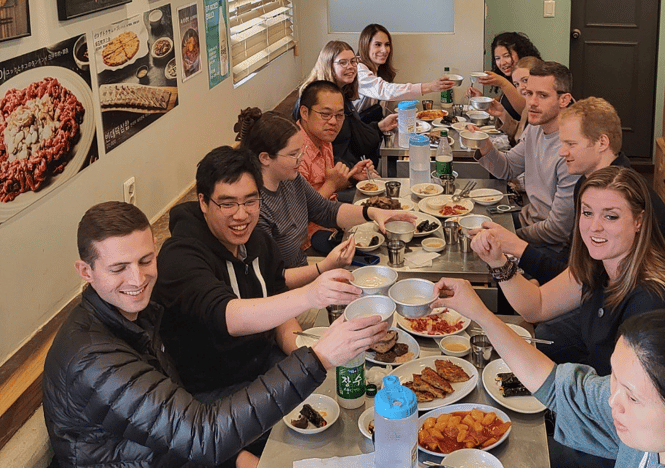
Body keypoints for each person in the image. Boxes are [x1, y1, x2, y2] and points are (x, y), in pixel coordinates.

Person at [43, 201, 388, 468]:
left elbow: (175, 420)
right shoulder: (92, 358)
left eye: (146, 260)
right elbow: (199, 435)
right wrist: (319, 356)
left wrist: (234, 457)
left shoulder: (137, 310)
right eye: (118, 268)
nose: (137, 279)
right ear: (85, 271)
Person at [429, 280, 665, 468]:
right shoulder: (660, 434)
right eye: (615, 380)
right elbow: (557, 386)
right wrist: (480, 313)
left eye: (631, 396)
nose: (611, 400)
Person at [152, 147, 368, 398]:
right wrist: (311, 295)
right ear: (203, 202)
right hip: (212, 392)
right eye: (227, 203)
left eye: (250, 201)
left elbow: (278, 307)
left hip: (263, 363)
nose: (241, 214)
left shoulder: (258, 242)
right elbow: (228, 316)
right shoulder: (179, 256)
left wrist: (305, 354)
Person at [471, 165, 665, 375]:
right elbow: (537, 305)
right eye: (587, 213)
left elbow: (631, 398)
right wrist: (498, 262)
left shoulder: (652, 300)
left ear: (639, 221)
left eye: (610, 216)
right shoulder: (599, 263)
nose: (594, 227)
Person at [477, 96, 665, 285]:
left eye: (571, 144)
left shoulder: (629, 197)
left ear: (602, 143)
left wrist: (518, 247)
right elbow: (571, 260)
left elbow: (585, 280)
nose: (562, 152)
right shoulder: (586, 183)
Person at [236, 102, 411, 289]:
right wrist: (324, 267)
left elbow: (326, 210)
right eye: (293, 154)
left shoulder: (289, 179)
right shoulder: (254, 208)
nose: (301, 159)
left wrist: (373, 213)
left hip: (304, 278)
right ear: (265, 158)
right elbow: (270, 279)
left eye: (301, 152)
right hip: (284, 295)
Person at [473, 61, 580, 253]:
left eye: (542, 95)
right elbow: (507, 168)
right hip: (528, 221)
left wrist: (511, 235)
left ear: (564, 100)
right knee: (469, 226)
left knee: (484, 249)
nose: (532, 102)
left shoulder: (572, 150)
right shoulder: (535, 128)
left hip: (552, 246)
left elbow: (559, 230)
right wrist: (483, 143)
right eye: (529, 93)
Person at [295, 40, 397, 169]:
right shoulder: (310, 99)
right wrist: (350, 174)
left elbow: (355, 134)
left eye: (353, 61)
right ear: (328, 65)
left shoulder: (343, 94)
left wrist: (380, 127)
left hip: (351, 166)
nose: (351, 67)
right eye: (343, 62)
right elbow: (320, 153)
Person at [353, 23, 453, 122]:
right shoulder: (358, 69)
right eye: (378, 44)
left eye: (387, 45)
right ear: (365, 45)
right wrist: (429, 87)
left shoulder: (378, 70)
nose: (384, 50)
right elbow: (385, 90)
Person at [466, 32, 542, 121]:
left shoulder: (532, 75)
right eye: (497, 58)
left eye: (507, 56)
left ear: (520, 53)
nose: (502, 63)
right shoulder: (510, 78)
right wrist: (481, 99)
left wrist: (503, 83)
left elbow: (526, 111)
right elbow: (505, 103)